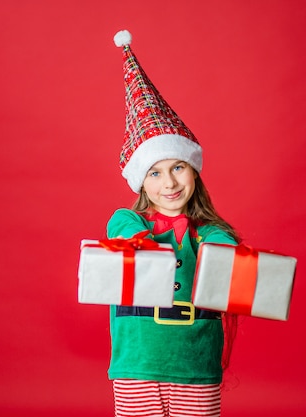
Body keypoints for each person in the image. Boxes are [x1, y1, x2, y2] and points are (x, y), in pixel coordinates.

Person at [107, 30, 240, 417]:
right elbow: (120, 227)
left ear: (194, 172)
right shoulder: (129, 223)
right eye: (155, 173)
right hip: (137, 366)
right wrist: (138, 240)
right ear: (142, 182)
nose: (169, 183)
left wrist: (223, 248)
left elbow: (223, 242)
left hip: (194, 366)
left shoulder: (209, 234)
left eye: (178, 167)